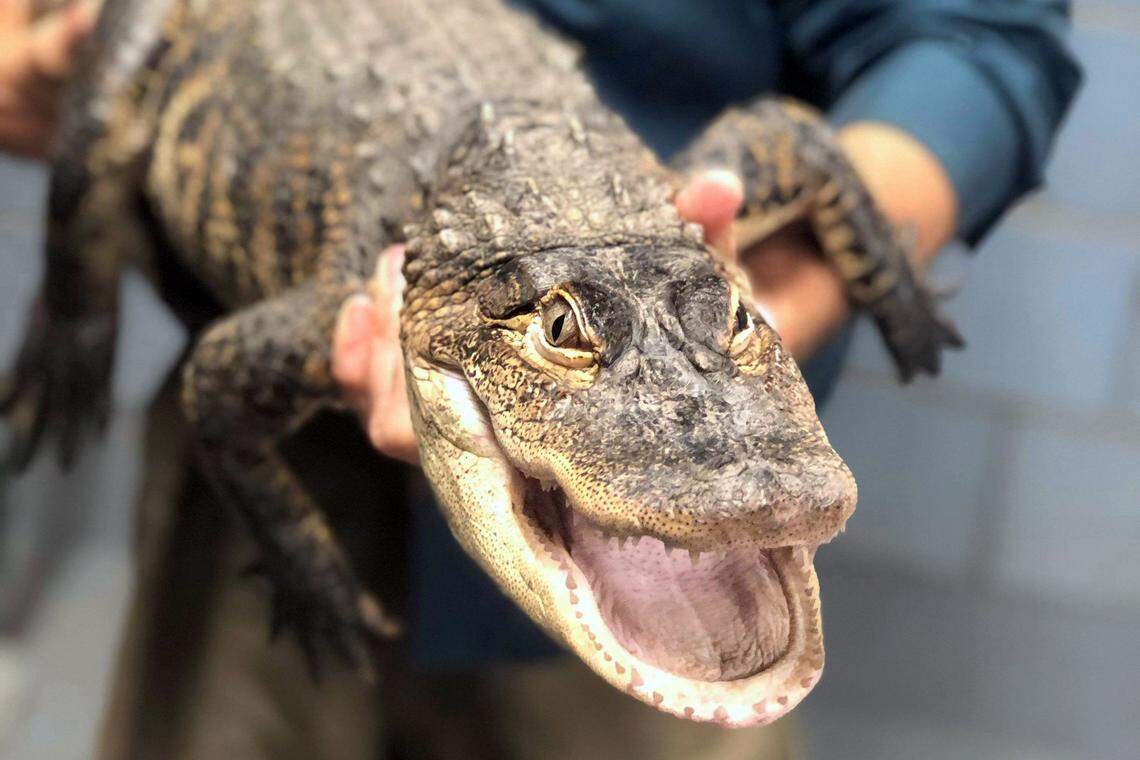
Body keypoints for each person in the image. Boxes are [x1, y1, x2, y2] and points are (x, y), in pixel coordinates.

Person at [0, 1, 1080, 758]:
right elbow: (226, 391)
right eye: (562, 334)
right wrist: (76, 297)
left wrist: (861, 280)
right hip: (273, 493)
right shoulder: (362, 309)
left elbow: (894, 78)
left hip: (652, 523)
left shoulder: (701, 217)